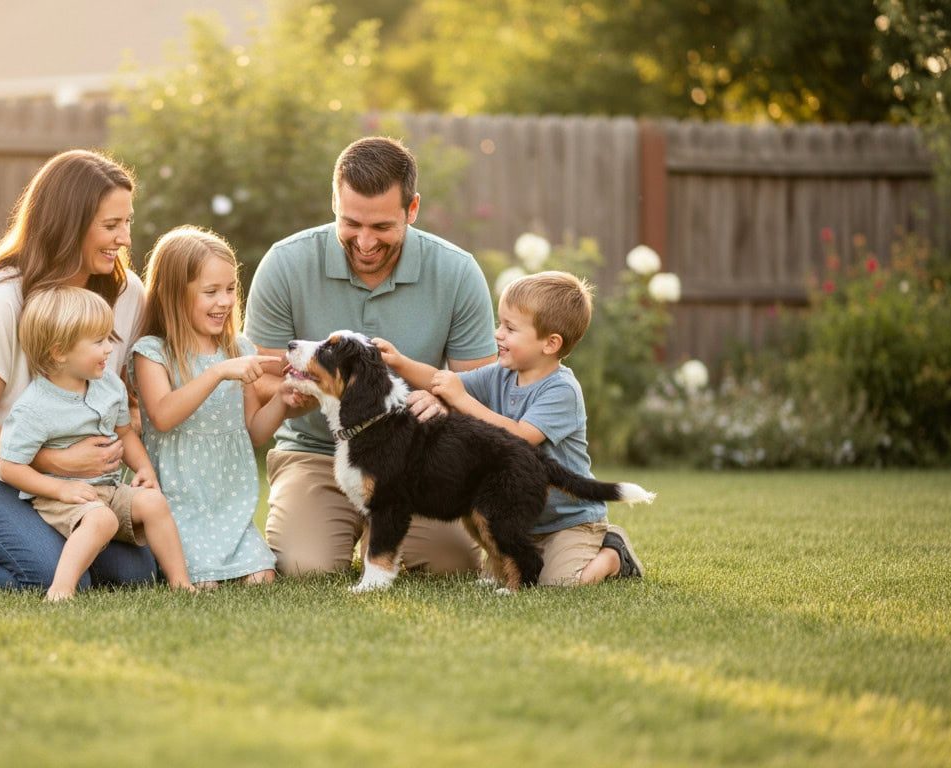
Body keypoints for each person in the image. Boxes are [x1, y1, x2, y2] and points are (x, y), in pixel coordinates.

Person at [0, 149, 159, 591]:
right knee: (53, 578)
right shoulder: (4, 300)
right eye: (111, 225)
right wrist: (55, 460)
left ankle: (36, 542)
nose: (126, 239)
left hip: (78, 488)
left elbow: (120, 398)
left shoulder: (126, 293)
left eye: (128, 222)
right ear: (69, 223)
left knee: (138, 574)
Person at [244, 136, 498, 576]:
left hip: (417, 459)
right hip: (316, 452)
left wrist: (443, 399)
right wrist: (301, 392)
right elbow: (259, 378)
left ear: (412, 210)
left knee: (449, 566)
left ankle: (378, 539)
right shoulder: (284, 264)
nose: (364, 242)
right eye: (351, 224)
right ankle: (344, 532)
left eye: (381, 227)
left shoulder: (457, 272)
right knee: (304, 567)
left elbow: (482, 385)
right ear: (334, 204)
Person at [375, 270, 646, 585]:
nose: (498, 334)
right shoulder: (500, 374)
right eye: (499, 323)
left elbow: (520, 437)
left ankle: (614, 554)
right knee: (498, 577)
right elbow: (440, 380)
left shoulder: (561, 390)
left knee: (561, 584)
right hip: (515, 517)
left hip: (569, 521)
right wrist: (398, 361)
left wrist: (462, 399)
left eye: (510, 328)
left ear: (550, 343)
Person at [0, 287, 193, 600]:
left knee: (154, 502)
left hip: (108, 489)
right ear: (59, 352)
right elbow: (10, 467)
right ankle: (61, 590)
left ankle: (182, 584)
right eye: (98, 341)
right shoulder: (34, 407)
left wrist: (144, 468)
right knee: (101, 518)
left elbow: (125, 433)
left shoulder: (109, 385)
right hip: (61, 498)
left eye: (108, 339)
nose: (108, 350)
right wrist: (61, 489)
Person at [130, 226, 284, 588]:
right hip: (178, 504)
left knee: (262, 577)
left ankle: (237, 553)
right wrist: (217, 373)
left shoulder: (239, 349)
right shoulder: (153, 352)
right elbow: (163, 416)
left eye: (230, 289)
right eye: (211, 292)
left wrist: (283, 400)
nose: (225, 301)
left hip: (228, 505)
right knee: (206, 582)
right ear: (174, 296)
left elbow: (255, 432)